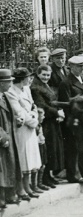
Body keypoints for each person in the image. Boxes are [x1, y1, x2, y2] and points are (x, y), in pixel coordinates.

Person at [6, 68, 42, 198]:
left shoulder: (26, 89)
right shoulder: (11, 93)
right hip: (21, 130)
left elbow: (33, 107)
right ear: (21, 79)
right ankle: (22, 188)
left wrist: (34, 117)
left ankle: (31, 186)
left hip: (31, 127)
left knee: (32, 157)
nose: (29, 79)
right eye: (27, 77)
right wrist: (33, 120)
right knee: (24, 157)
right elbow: (19, 112)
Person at [58, 55, 83, 183]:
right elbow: (67, 104)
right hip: (73, 120)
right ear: (71, 67)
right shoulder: (66, 83)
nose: (82, 68)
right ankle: (73, 175)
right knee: (73, 148)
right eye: (79, 66)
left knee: (82, 147)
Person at [30, 64, 65, 187]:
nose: (46, 77)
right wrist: (57, 113)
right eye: (43, 75)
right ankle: (44, 178)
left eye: (48, 75)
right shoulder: (35, 87)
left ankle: (49, 175)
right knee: (48, 149)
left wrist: (59, 112)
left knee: (53, 149)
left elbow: (53, 101)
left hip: (52, 121)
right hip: (45, 122)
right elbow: (42, 105)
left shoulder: (45, 85)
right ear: (38, 74)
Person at [0, 69, 21, 207]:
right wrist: (2, 137)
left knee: (9, 165)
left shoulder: (5, 96)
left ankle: (9, 194)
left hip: (10, 135)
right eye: (8, 82)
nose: (10, 84)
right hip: (2, 138)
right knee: (1, 168)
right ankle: (1, 197)